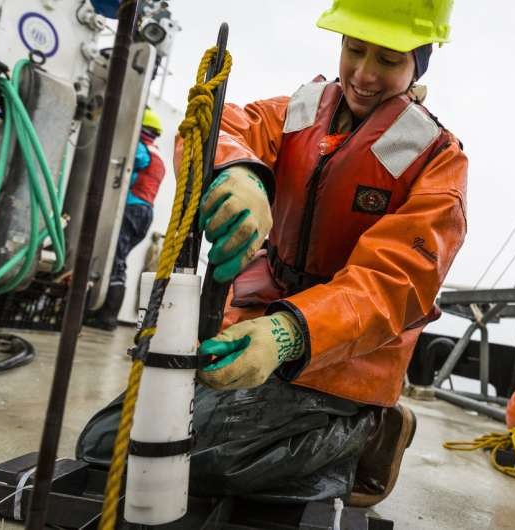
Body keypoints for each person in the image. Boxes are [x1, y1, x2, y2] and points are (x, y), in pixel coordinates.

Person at [78, 0, 467, 507]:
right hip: (249, 325)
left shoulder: (439, 160)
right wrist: (236, 171)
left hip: (349, 356)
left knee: (203, 458)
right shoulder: (295, 114)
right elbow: (214, 128)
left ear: (421, 60)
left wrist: (288, 335)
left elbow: (396, 282)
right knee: (108, 443)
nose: (365, 74)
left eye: (389, 60)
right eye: (355, 49)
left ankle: (372, 430)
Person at [85, 108, 166, 331]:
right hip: (145, 213)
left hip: (132, 209)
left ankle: (107, 317)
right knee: (118, 260)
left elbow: (122, 165)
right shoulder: (157, 153)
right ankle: (104, 313)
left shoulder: (140, 149)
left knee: (115, 260)